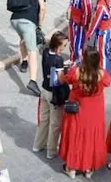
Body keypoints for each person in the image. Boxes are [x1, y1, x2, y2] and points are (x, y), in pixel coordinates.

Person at [59, 47, 111, 179]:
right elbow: (108, 82)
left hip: (77, 111)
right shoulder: (102, 74)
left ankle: (71, 168)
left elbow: (64, 79)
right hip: (94, 113)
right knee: (91, 138)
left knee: (75, 137)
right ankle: (88, 168)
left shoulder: (76, 72)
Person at [6, 0, 46, 94]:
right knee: (32, 51)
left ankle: (24, 63)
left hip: (14, 21)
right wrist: (40, 25)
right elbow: (42, 8)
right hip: (28, 23)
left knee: (23, 39)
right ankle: (32, 81)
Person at [34, 31, 69, 161]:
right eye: (63, 45)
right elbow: (60, 80)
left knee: (43, 119)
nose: (64, 48)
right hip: (54, 95)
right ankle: (51, 151)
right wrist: (67, 73)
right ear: (58, 45)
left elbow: (50, 69)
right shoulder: (58, 59)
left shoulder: (46, 52)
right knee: (54, 123)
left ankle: (38, 145)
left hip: (44, 89)